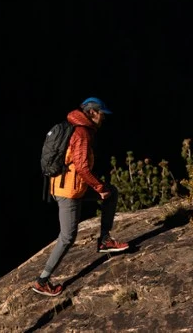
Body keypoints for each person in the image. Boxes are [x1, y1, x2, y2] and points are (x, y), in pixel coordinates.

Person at [32, 97, 130, 297]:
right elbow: (82, 167)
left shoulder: (75, 127)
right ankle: (42, 281)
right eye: (102, 114)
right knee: (68, 236)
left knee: (112, 194)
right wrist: (99, 187)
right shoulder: (82, 132)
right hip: (69, 190)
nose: (103, 118)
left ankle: (104, 240)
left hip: (72, 185)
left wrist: (101, 188)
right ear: (93, 112)